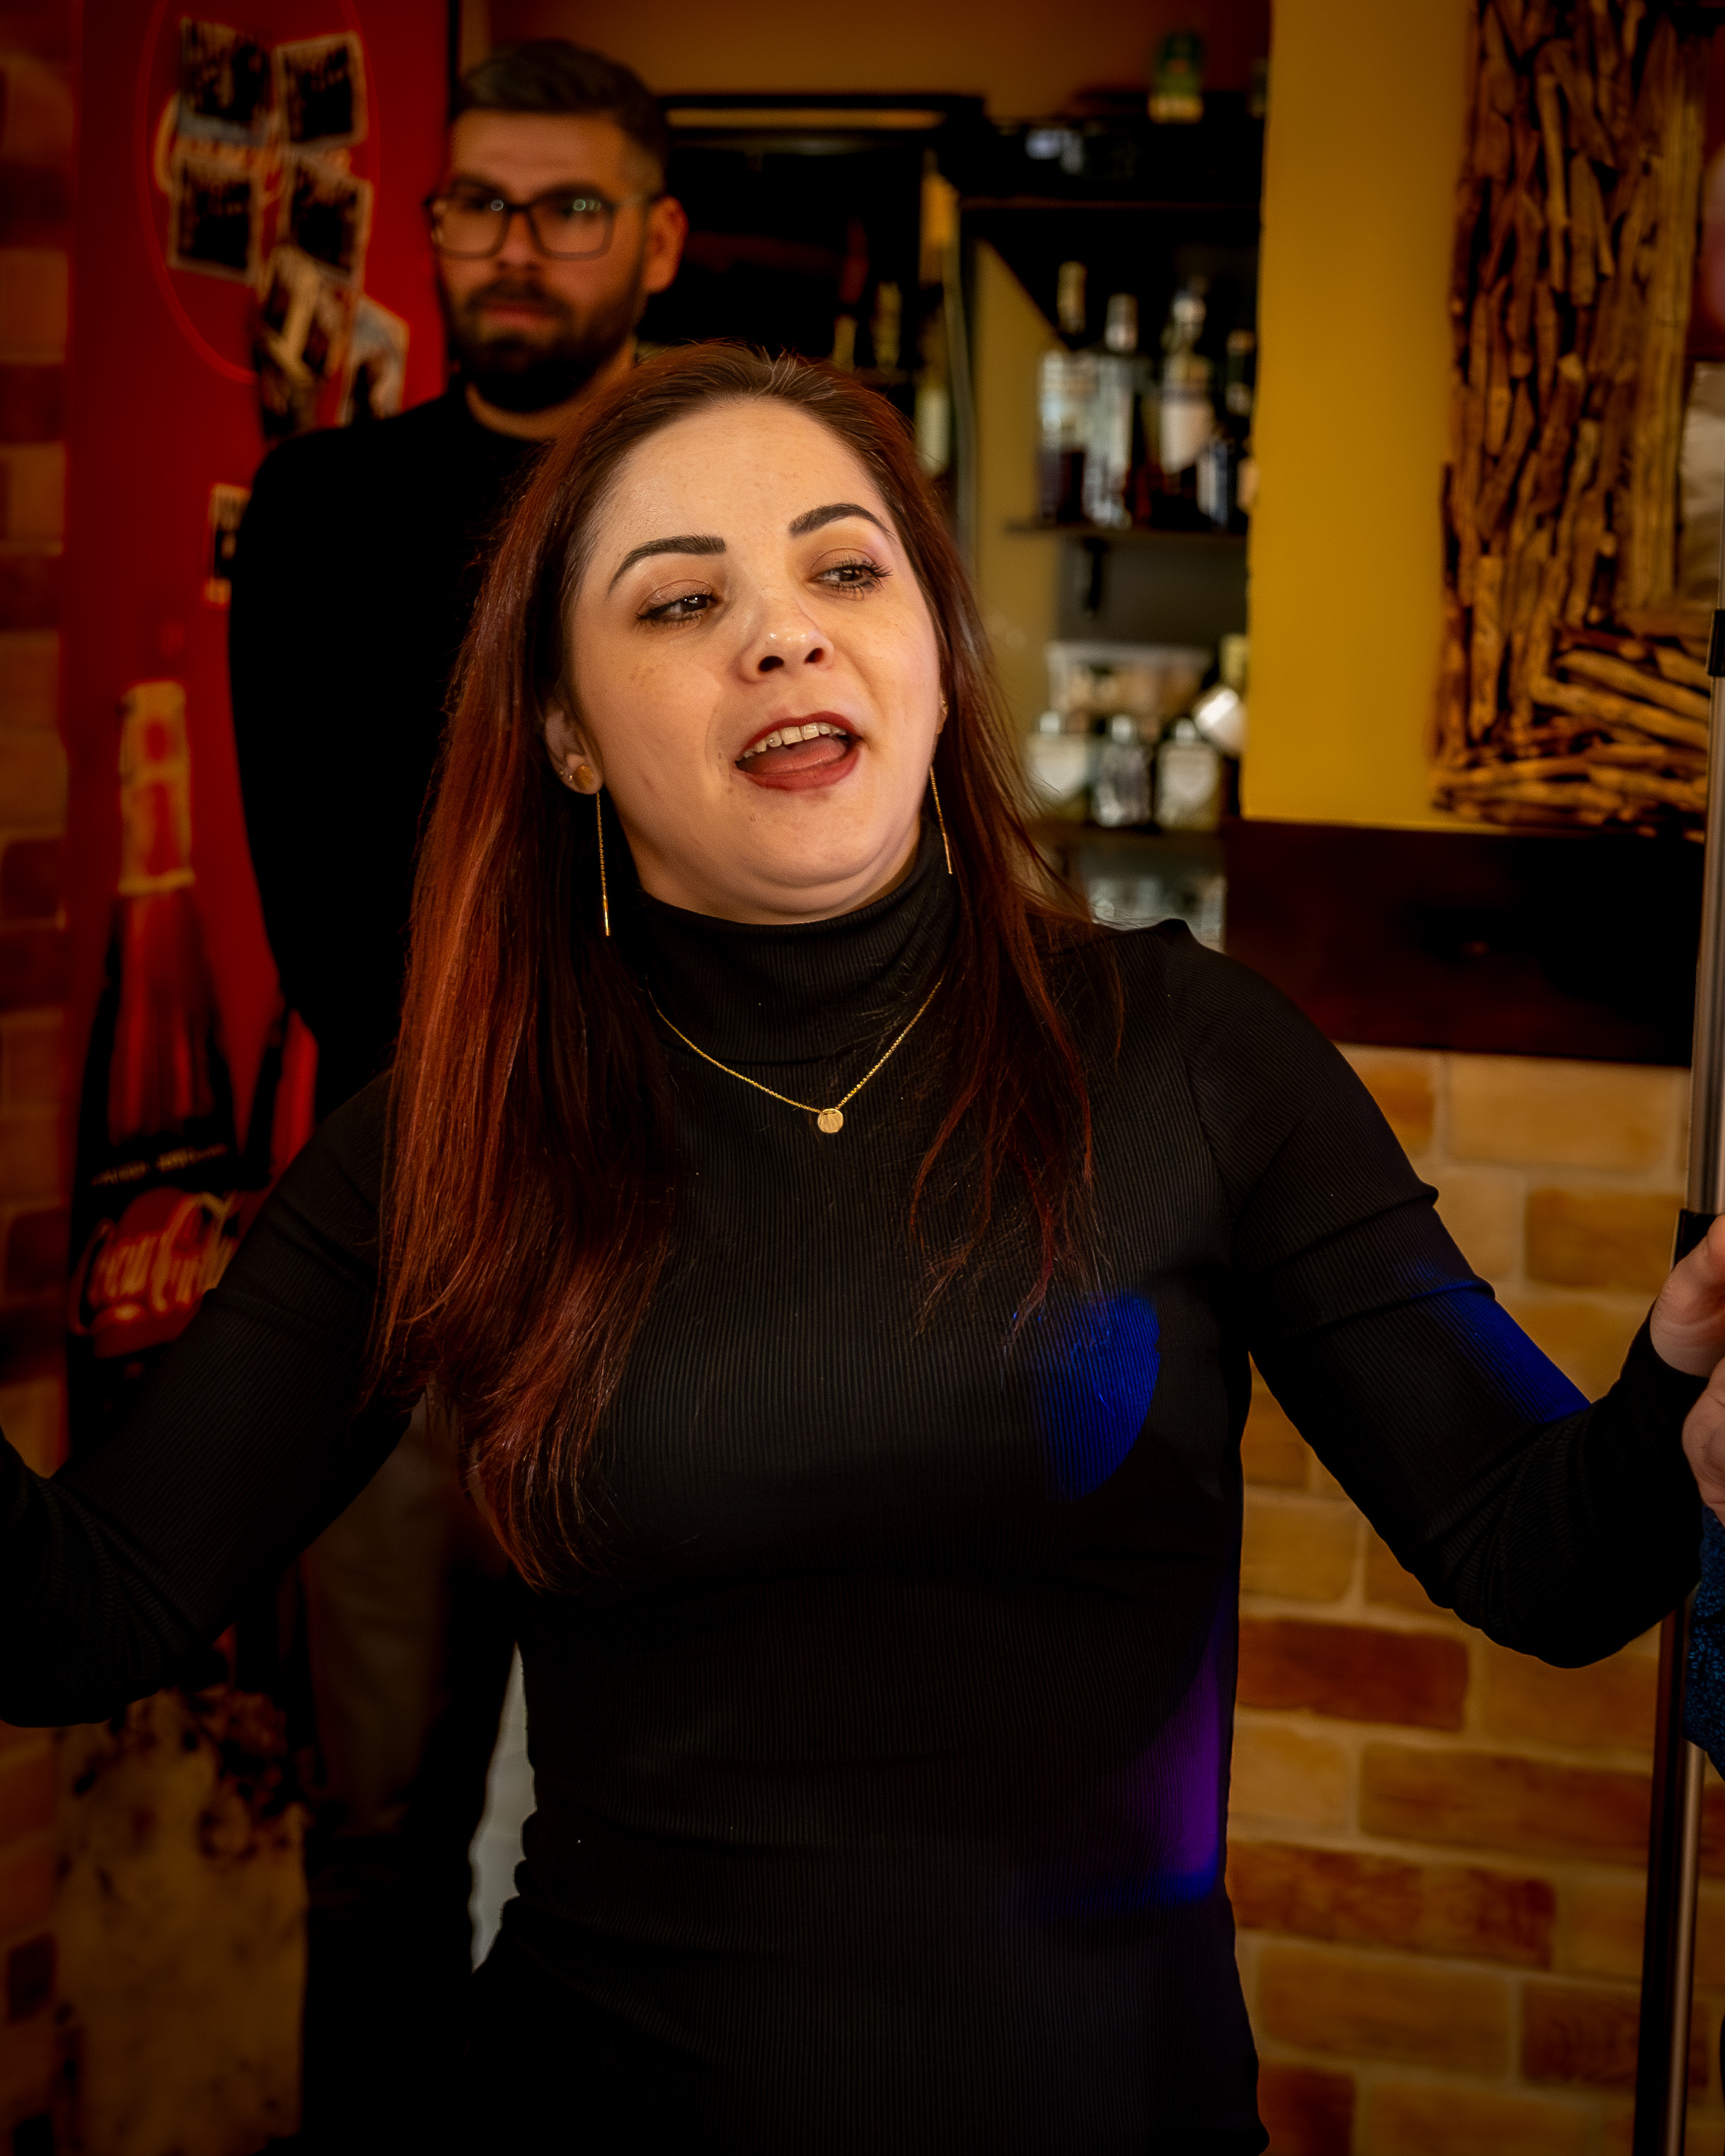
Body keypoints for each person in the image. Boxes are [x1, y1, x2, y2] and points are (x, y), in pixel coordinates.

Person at [9, 344, 1725, 2154]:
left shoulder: (1191, 1058)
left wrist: (1675, 1391)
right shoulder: (459, 1128)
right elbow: (74, 1613)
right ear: (566, 733)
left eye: (844, 568)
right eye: (682, 601)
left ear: (935, 650)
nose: (783, 635)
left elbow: (1544, 1559)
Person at [224, 41, 686, 2151]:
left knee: (665, 1851)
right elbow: (330, 925)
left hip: (689, 1257)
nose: (514, 248)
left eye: (566, 209)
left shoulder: (721, 513)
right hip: (408, 1257)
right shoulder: (323, 514)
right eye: (477, 205)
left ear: (653, 241)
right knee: (379, 1846)